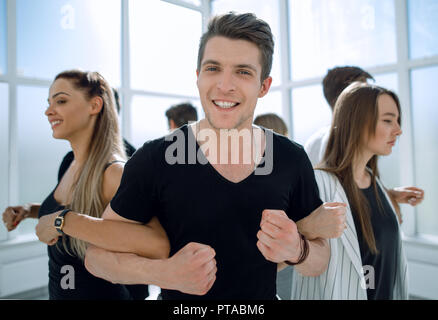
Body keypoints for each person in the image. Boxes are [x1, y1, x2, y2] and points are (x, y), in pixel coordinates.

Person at [80, 12, 348, 300]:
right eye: (213, 68)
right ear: (198, 77)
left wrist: (298, 249)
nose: (224, 85)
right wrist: (164, 273)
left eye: (243, 72)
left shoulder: (290, 159)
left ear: (264, 86)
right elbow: (97, 258)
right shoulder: (155, 159)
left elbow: (320, 259)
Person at [3, 70, 169, 299]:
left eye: (60, 100)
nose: (48, 111)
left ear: (94, 105)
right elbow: (81, 205)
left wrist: (63, 222)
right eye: (49, 102)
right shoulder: (68, 162)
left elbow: (158, 245)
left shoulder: (114, 173)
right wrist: (29, 210)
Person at [292, 82, 424, 300]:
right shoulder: (318, 184)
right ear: (358, 123)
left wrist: (391, 199)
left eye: (397, 121)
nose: (398, 130)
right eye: (388, 120)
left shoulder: (374, 183)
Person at [305, 66, 374, 167]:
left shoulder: (313, 142)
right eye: (364, 94)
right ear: (344, 97)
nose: (372, 100)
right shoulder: (340, 142)